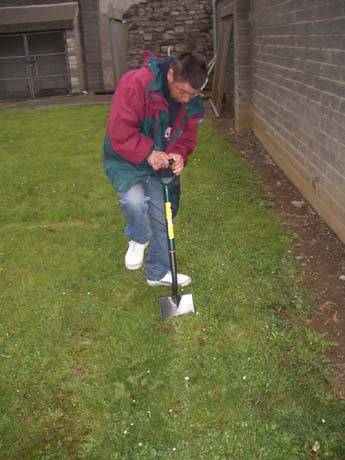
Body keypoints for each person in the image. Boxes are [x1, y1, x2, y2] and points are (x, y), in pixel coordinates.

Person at [103, 50, 208, 287]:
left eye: (192, 94)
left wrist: (179, 155)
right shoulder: (136, 83)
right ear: (170, 74)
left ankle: (158, 273)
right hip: (126, 157)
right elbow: (119, 132)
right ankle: (139, 237)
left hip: (160, 161)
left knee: (164, 217)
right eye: (182, 92)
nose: (185, 99)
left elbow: (186, 136)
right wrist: (149, 153)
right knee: (134, 201)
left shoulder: (190, 99)